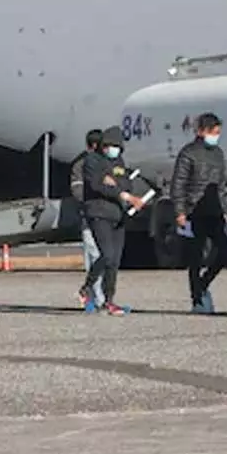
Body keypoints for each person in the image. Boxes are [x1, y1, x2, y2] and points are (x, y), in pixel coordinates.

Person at [171, 113, 227, 315]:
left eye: (218, 133)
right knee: (196, 257)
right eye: (213, 132)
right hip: (193, 212)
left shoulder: (218, 154)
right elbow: (178, 184)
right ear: (201, 131)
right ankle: (197, 298)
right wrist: (180, 211)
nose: (216, 136)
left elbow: (220, 186)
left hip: (214, 212)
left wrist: (223, 210)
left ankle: (203, 283)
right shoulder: (188, 153)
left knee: (226, 252)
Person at [79, 127, 141, 316]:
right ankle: (87, 287)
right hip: (99, 213)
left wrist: (116, 184)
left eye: (115, 146)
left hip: (118, 214)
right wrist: (120, 191)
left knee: (114, 261)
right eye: (108, 145)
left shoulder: (119, 162)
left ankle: (109, 300)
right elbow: (97, 185)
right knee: (106, 254)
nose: (111, 149)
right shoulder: (92, 160)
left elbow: (126, 183)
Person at [70, 128, 106, 310]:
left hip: (106, 216)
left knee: (104, 256)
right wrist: (94, 199)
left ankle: (101, 297)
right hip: (89, 216)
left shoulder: (106, 162)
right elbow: (77, 190)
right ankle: (94, 298)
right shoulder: (80, 164)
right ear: (94, 145)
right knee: (92, 256)